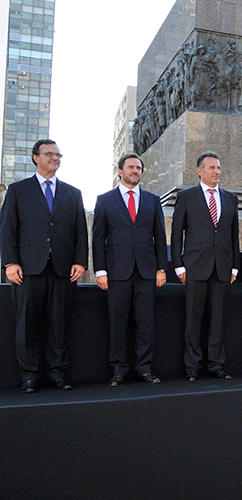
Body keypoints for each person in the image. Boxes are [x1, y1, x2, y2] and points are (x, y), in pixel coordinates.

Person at [0, 139, 87, 393]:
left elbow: (80, 231)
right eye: (49, 154)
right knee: (27, 324)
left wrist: (81, 261)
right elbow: (7, 230)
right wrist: (10, 262)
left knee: (58, 324)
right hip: (27, 269)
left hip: (63, 269)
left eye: (58, 155)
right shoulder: (18, 190)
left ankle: (57, 373)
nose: (55, 158)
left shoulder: (73, 193)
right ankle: (29, 376)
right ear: (35, 157)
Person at [92, 153, 167, 387]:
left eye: (139, 168)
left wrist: (161, 268)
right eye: (131, 167)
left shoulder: (153, 200)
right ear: (120, 171)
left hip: (146, 272)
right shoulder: (105, 200)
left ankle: (144, 368)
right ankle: (118, 370)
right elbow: (98, 239)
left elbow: (160, 236)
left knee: (145, 323)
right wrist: (100, 270)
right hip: (116, 272)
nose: (136, 171)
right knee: (118, 323)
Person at [171, 151, 240, 382]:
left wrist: (234, 268)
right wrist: (178, 266)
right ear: (199, 171)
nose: (217, 172)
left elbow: (233, 236)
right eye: (211, 168)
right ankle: (192, 367)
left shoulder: (231, 198)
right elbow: (176, 234)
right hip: (194, 268)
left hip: (222, 269)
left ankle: (216, 365)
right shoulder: (187, 196)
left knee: (217, 321)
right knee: (193, 320)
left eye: (219, 168)